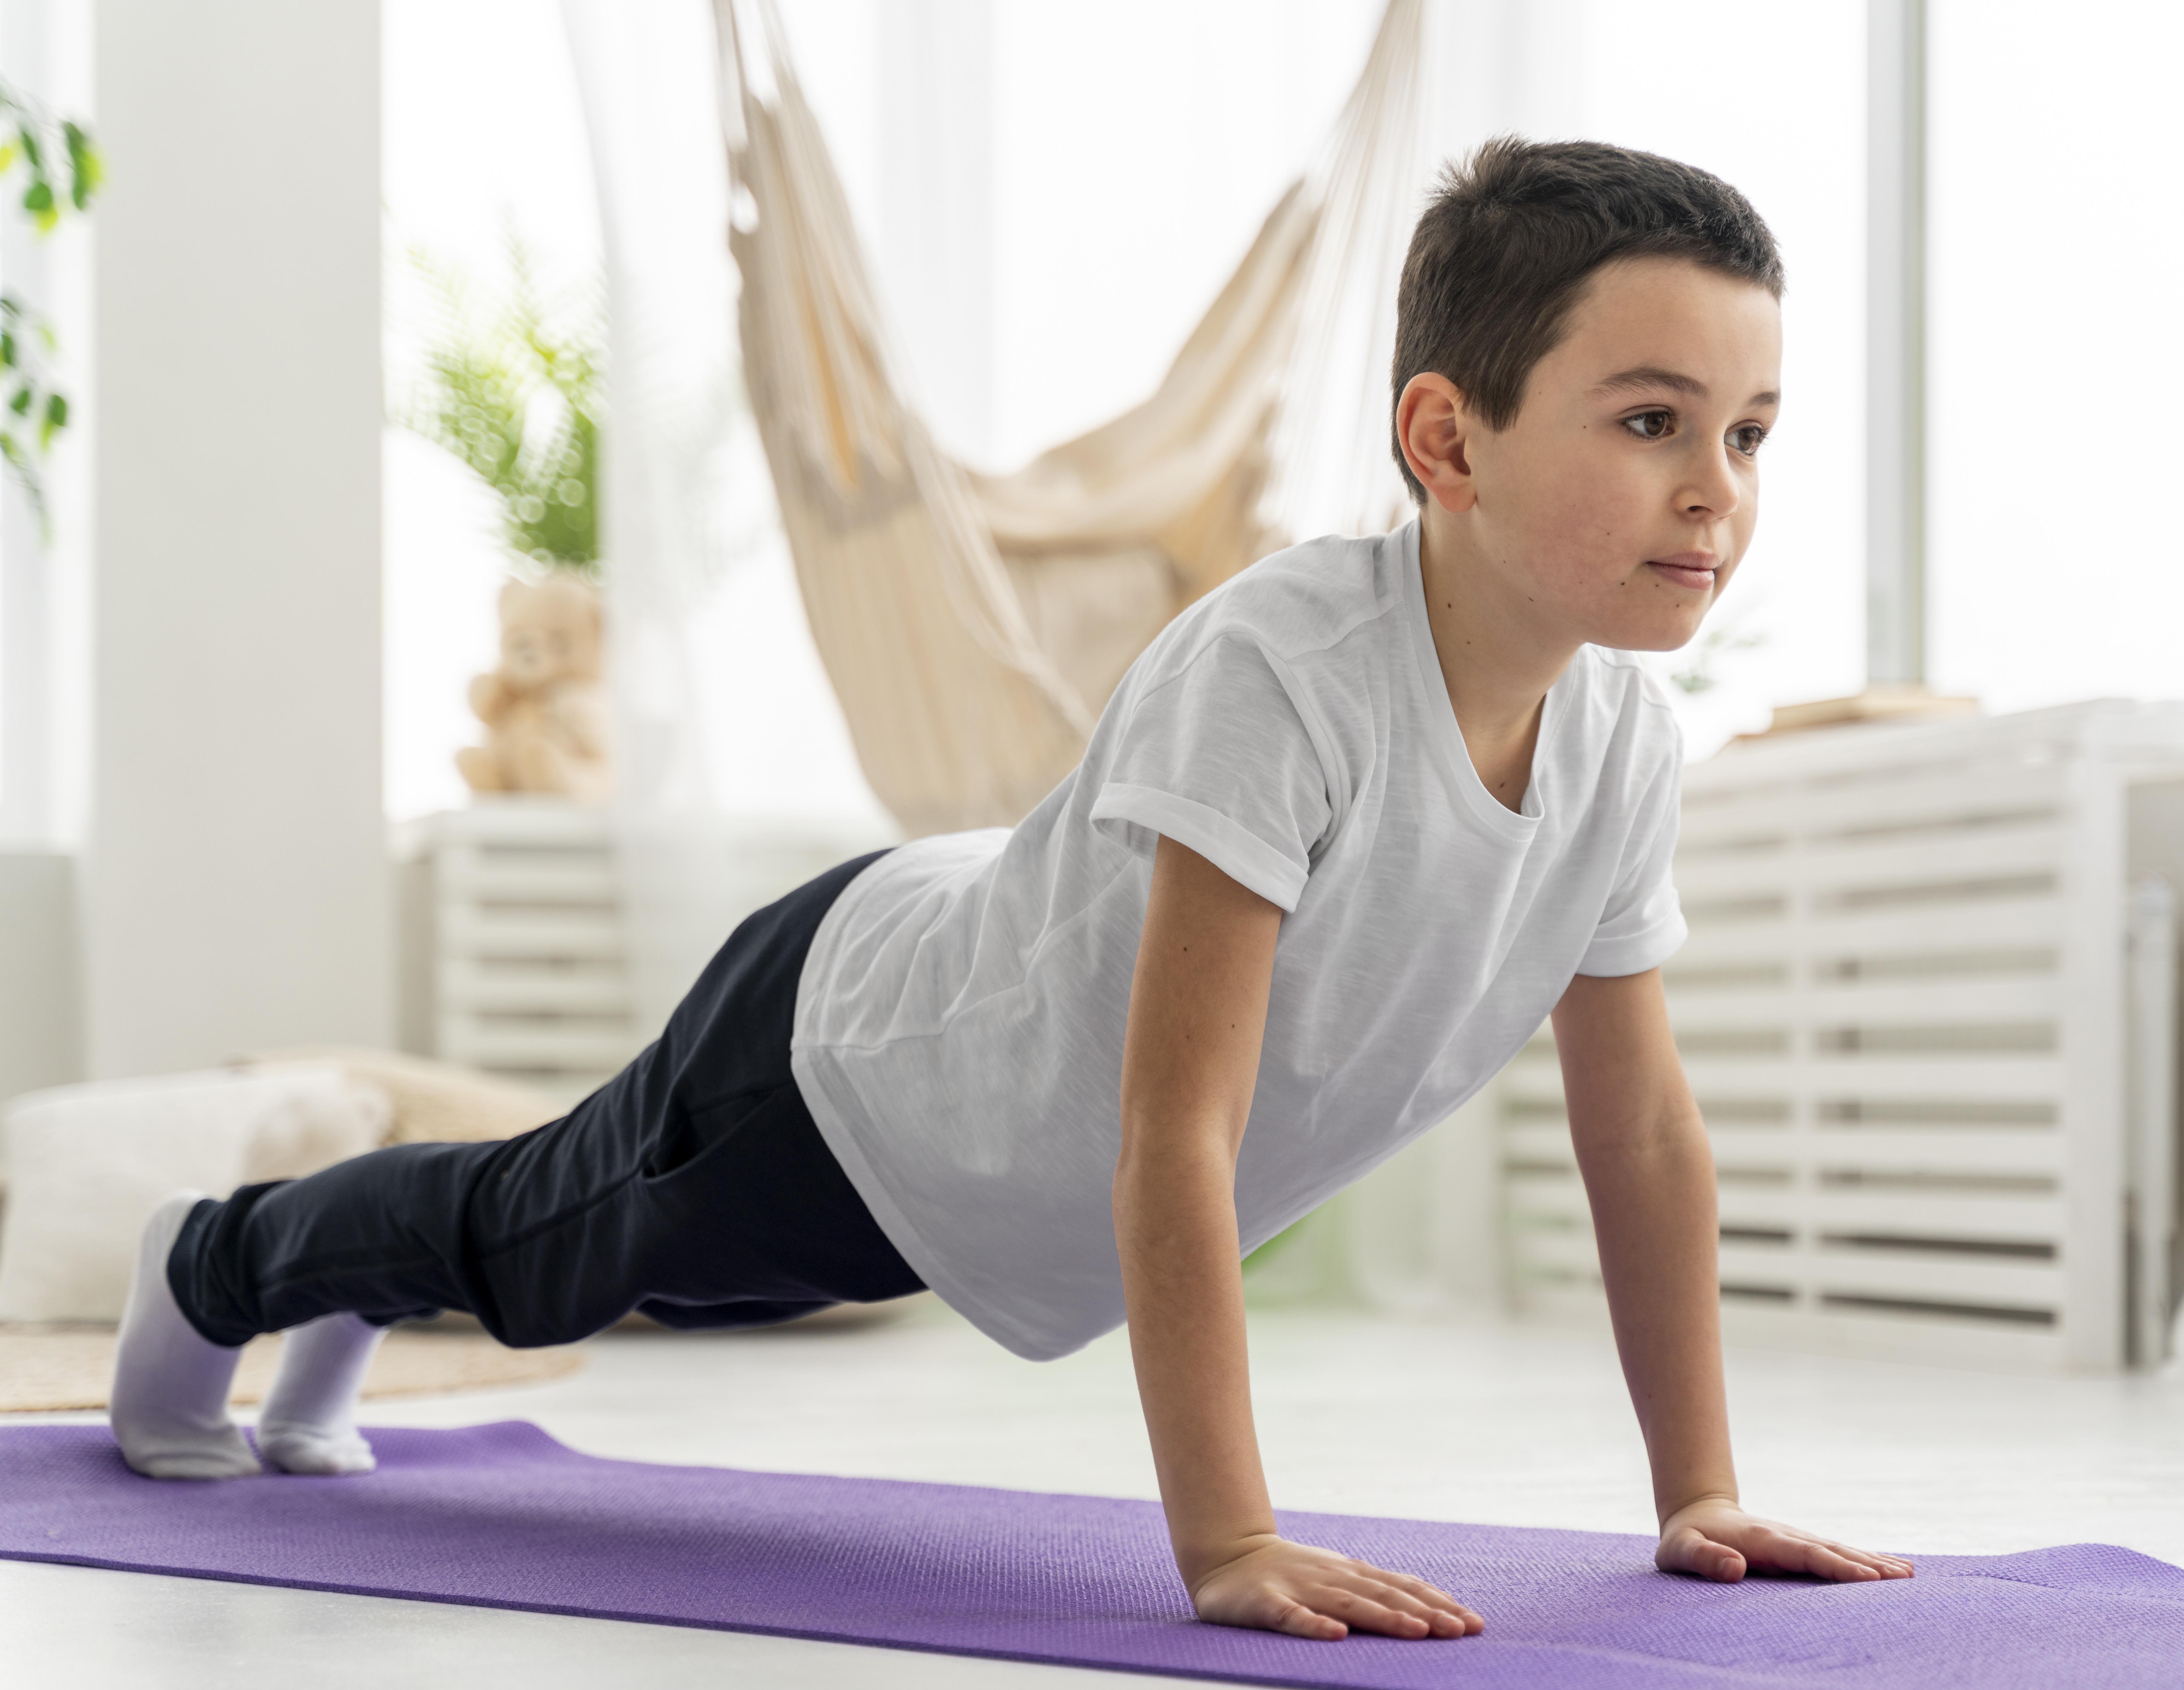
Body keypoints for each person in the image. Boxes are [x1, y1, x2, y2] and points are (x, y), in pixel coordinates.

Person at [111, 136, 1913, 1640]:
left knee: (549, 1247)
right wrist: (1224, 1540)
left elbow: (1646, 1136)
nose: (1715, 493)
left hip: (968, 1109)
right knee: (536, 1252)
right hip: (844, 1058)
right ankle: (214, 1262)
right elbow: (1171, 1130)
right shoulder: (1281, 667)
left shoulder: (1616, 745)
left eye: (1747, 433)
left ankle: (322, 1277)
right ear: (1444, 441)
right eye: (1652, 421)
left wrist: (1701, 1493)